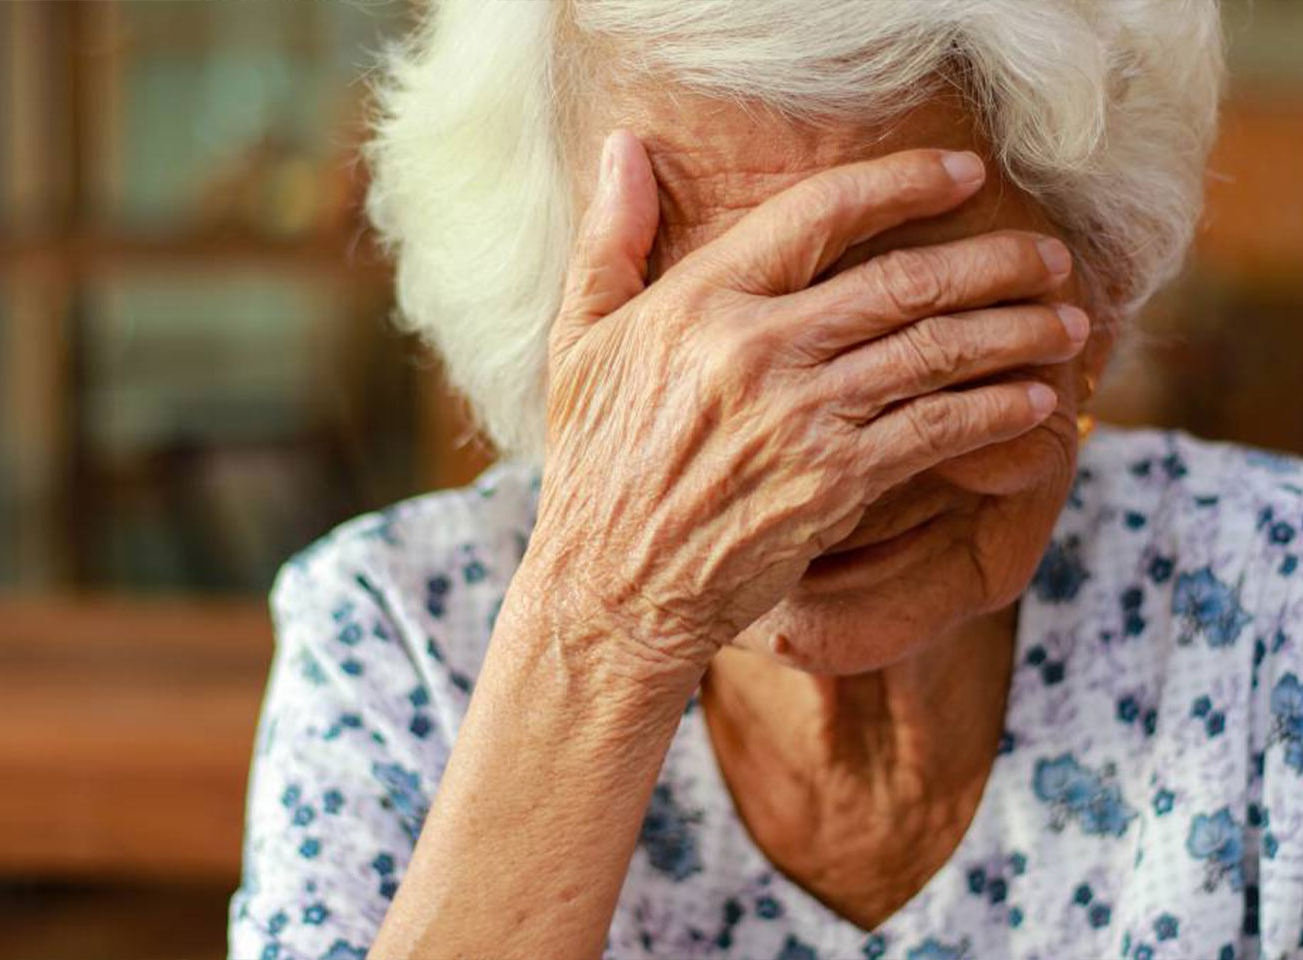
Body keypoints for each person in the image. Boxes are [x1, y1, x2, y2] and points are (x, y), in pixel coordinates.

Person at [228, 2, 1303, 958]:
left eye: (910, 318)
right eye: (709, 354)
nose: (818, 468)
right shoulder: (394, 632)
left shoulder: (1273, 601)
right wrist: (607, 626)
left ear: (1100, 298)